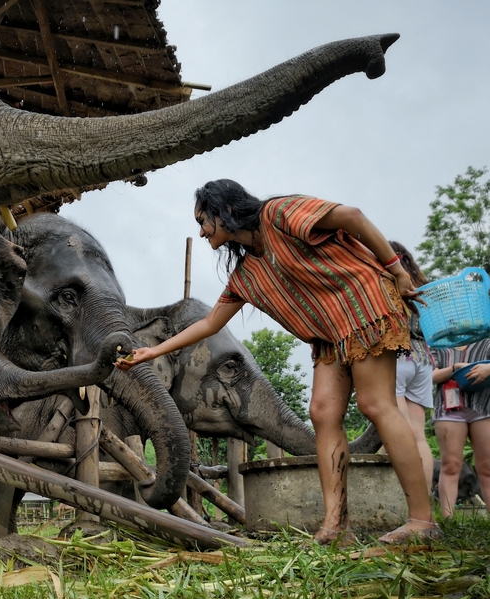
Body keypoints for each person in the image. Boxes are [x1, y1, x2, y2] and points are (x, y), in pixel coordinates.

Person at [116, 179, 440, 545]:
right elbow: (209, 323)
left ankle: (422, 521)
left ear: (223, 211)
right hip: (329, 333)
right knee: (321, 412)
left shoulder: (279, 214)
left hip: (362, 305)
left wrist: (396, 269)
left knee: (375, 403)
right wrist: (152, 352)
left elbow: (352, 216)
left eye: (203, 220)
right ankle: (336, 526)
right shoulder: (247, 274)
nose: (202, 231)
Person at [389, 241, 435, 498]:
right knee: (418, 435)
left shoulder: (390, 284)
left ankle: (410, 504)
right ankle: (425, 500)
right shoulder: (422, 289)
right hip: (423, 361)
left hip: (397, 358)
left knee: (401, 434)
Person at [430, 339, 490, 518]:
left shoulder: (486, 339)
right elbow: (429, 376)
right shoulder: (436, 343)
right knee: (450, 465)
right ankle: (448, 522)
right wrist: (455, 368)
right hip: (449, 409)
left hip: (483, 407)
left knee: (487, 467)